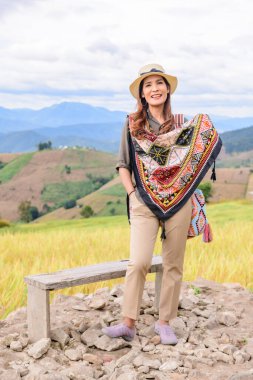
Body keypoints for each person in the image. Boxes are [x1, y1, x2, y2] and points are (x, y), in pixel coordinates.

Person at [102, 63, 222, 345]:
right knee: (139, 261)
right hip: (143, 202)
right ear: (142, 94)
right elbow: (123, 164)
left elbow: (197, 157)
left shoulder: (182, 123)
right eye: (148, 85)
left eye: (159, 83)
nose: (154, 89)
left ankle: (165, 322)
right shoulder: (132, 124)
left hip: (180, 203)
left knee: (173, 263)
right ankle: (128, 322)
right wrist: (132, 194)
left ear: (167, 89)